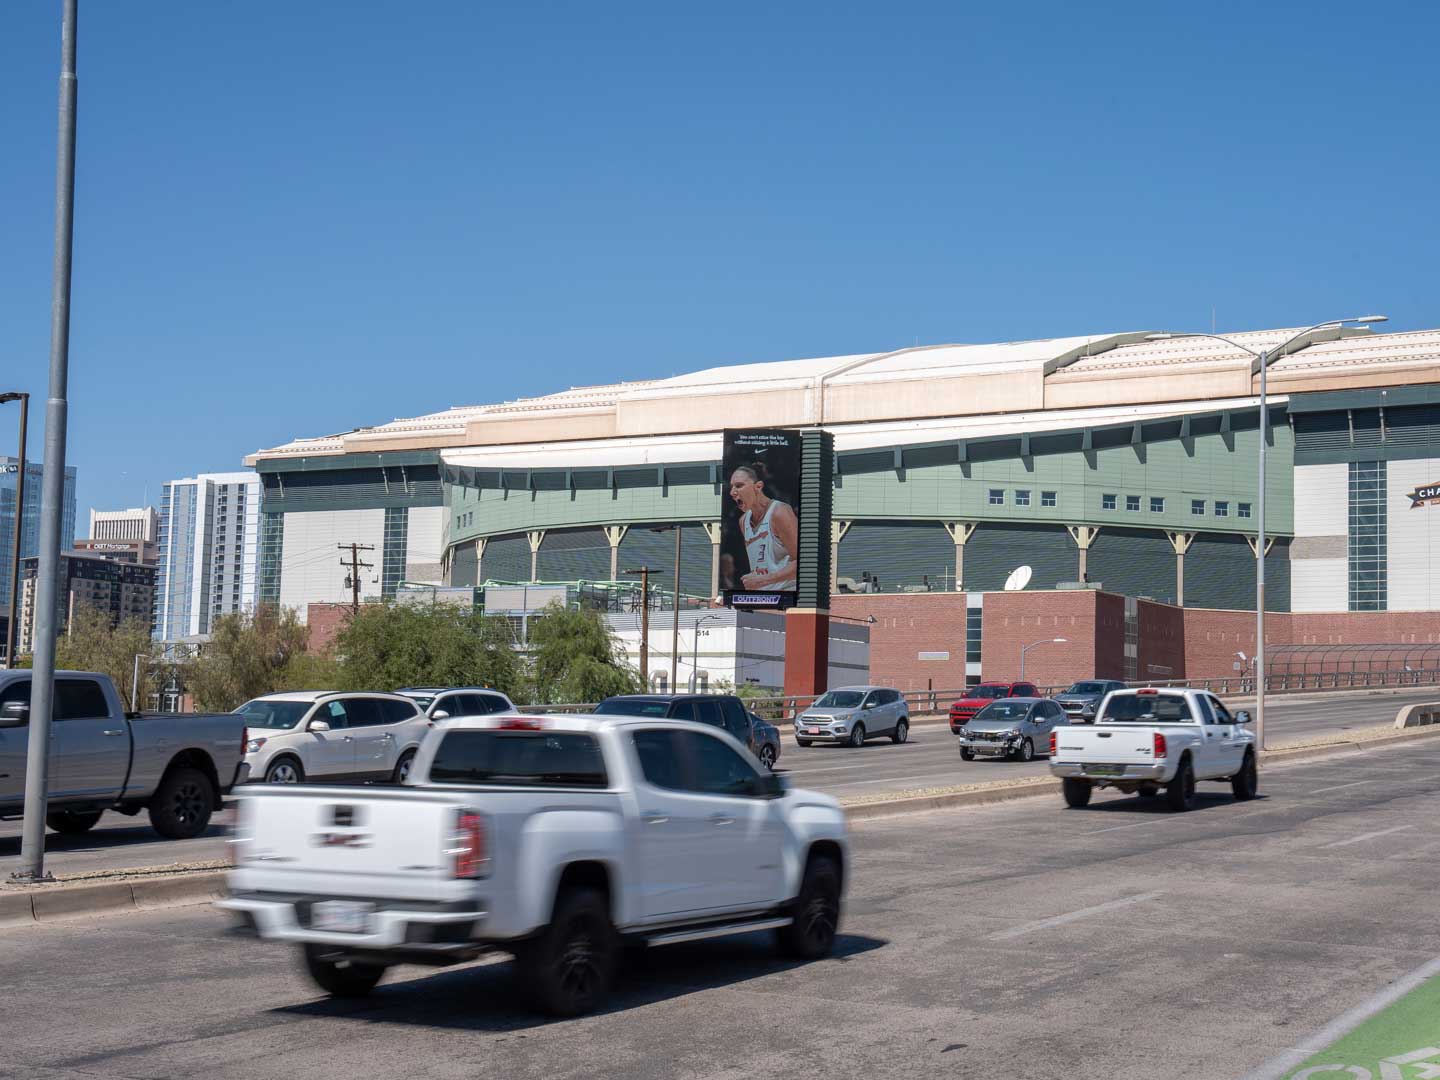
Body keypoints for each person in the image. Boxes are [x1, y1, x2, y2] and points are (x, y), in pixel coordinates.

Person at [728, 463, 798, 591]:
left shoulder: (779, 512)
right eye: (731, 487)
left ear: (758, 487)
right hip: (763, 600)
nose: (732, 492)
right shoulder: (743, 521)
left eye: (739, 486)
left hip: (788, 598)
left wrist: (764, 580)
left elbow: (804, 564)